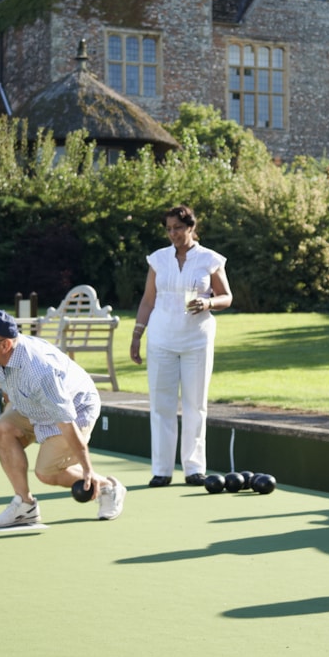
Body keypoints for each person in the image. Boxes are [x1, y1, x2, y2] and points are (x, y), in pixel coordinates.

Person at [0, 309, 127, 528]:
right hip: (33, 404)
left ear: (5, 345)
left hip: (75, 408)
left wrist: (87, 469)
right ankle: (25, 506)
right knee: (3, 428)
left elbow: (67, 423)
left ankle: (107, 487)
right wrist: (11, 427)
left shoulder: (39, 371)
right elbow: (7, 390)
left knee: (46, 473)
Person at [130, 205, 232, 486]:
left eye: (177, 228)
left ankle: (194, 468)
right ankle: (161, 470)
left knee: (195, 404)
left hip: (197, 339)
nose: (172, 233)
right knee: (160, 405)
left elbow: (226, 297)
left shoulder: (209, 259)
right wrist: (138, 334)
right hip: (161, 339)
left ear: (190, 227)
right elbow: (148, 300)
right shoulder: (158, 259)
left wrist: (209, 302)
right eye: (168, 229)